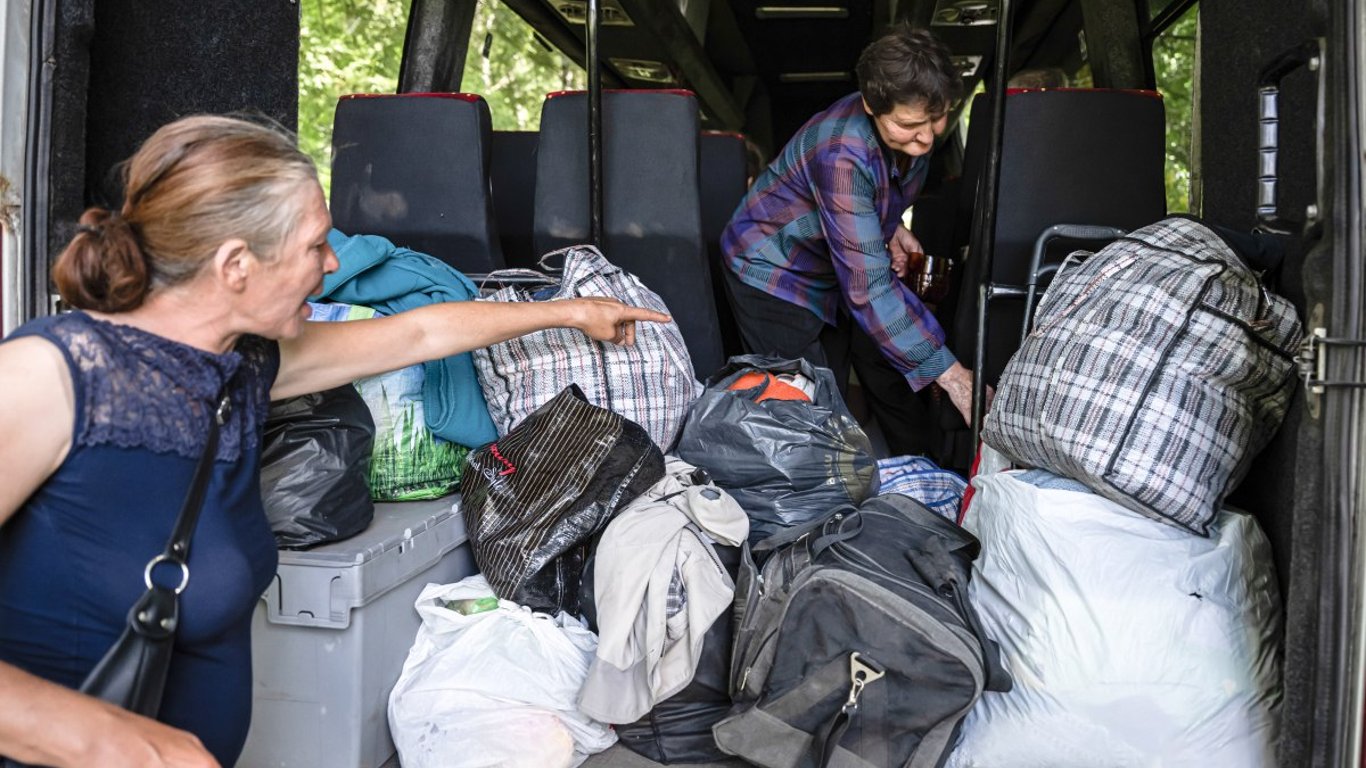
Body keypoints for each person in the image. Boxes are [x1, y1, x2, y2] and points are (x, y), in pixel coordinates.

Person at [0, 114, 670, 768]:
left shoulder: (245, 367)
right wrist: (113, 744)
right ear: (237, 265)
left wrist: (573, 312)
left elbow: (418, 334)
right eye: (314, 246)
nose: (329, 266)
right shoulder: (50, 378)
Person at [719, 25, 979, 449]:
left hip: (827, 267)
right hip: (769, 266)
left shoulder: (908, 136)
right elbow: (869, 286)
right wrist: (951, 375)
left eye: (939, 117)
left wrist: (890, 227)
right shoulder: (841, 151)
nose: (928, 136)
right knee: (803, 402)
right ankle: (809, 502)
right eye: (910, 124)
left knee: (832, 386)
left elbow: (869, 196)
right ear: (871, 107)